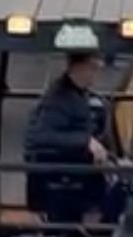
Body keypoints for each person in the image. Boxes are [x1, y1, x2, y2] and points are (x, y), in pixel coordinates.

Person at [24, 50, 121, 221]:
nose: (96, 73)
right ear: (78, 67)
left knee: (123, 177)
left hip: (76, 168)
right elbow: (39, 136)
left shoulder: (80, 95)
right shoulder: (57, 99)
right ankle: (103, 226)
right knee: (120, 188)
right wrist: (86, 142)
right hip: (65, 171)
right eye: (93, 67)